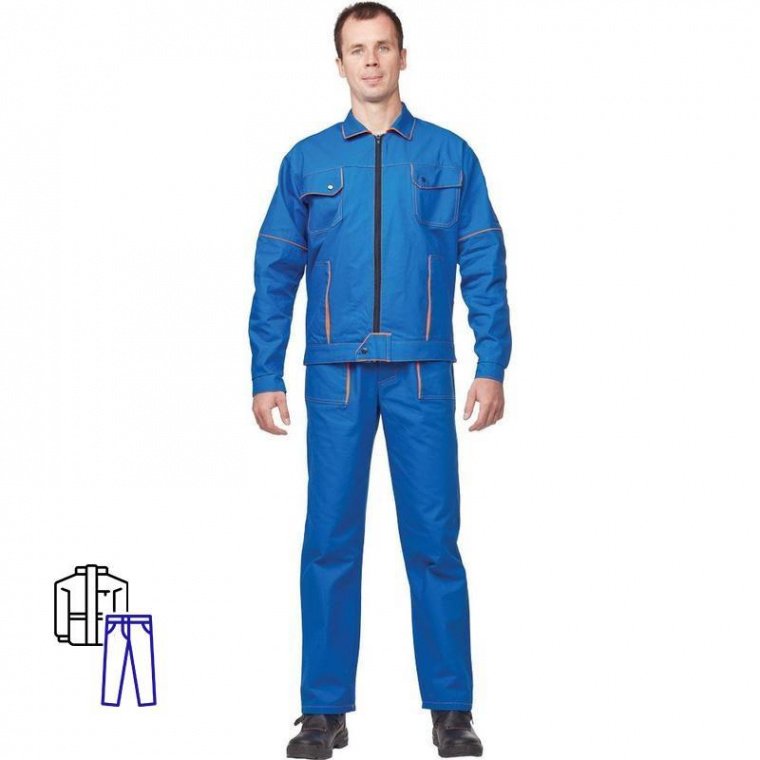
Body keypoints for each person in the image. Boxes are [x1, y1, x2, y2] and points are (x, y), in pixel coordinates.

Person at [248, 3, 511, 757]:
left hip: (423, 372)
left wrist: (492, 361)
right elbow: (275, 272)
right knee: (329, 541)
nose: (370, 60)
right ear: (339, 64)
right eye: (357, 49)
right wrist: (266, 371)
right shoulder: (307, 161)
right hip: (335, 375)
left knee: (434, 541)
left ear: (402, 56)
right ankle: (323, 710)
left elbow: (483, 260)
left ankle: (451, 710)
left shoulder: (449, 155)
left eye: (383, 47)